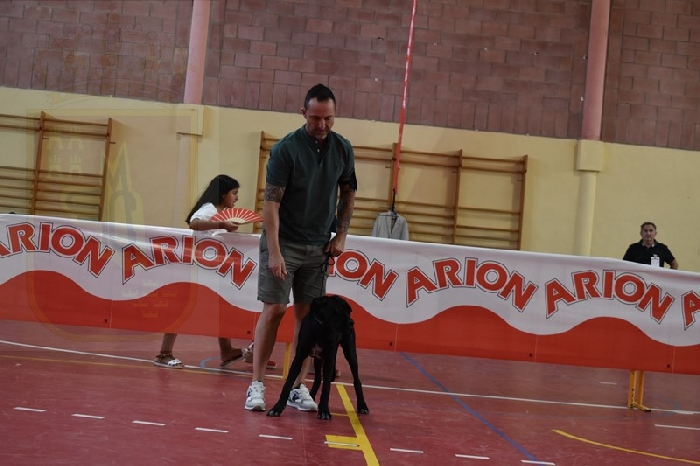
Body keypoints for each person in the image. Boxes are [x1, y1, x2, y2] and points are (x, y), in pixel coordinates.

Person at [245, 83, 357, 411]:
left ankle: (296, 387)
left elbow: (349, 193)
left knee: (308, 318)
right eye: (315, 118)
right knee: (275, 309)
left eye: (328, 118)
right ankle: (256, 384)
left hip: (319, 246)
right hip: (285, 242)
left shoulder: (343, 149)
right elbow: (271, 204)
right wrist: (275, 252)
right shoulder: (286, 150)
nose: (322, 125)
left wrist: (341, 235)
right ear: (303, 113)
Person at [153, 174, 250, 369]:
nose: (237, 198)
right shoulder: (209, 209)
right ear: (223, 194)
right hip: (195, 270)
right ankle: (164, 354)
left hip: (212, 271)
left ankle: (227, 351)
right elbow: (194, 223)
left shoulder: (221, 213)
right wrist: (222, 225)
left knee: (223, 309)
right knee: (181, 310)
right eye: (234, 193)